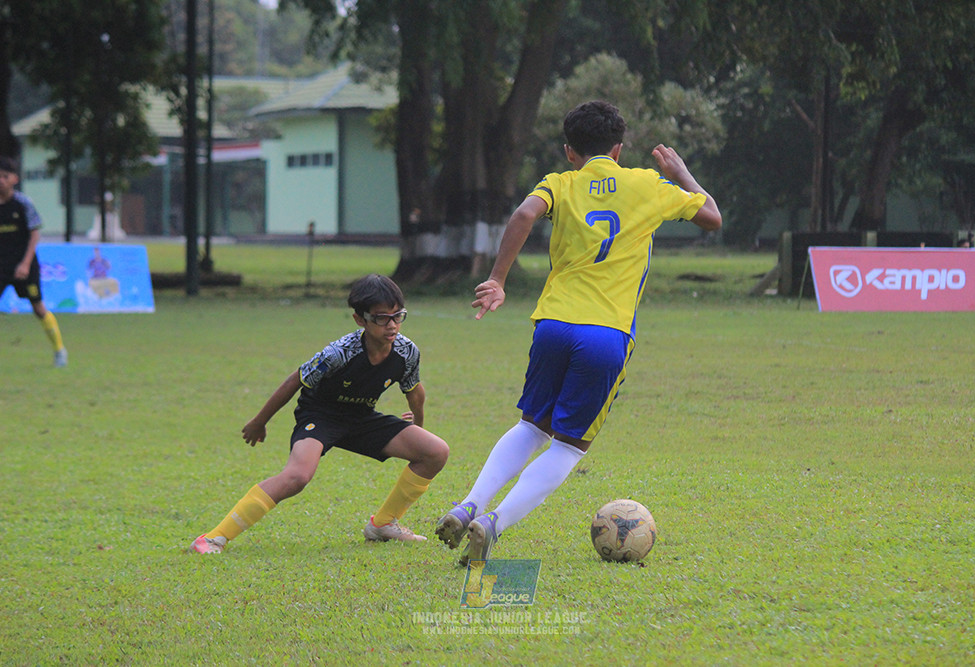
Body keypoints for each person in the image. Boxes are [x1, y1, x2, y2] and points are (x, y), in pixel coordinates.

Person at [435, 100, 722, 563]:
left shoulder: (560, 183)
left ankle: (471, 503)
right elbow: (712, 217)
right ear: (619, 148)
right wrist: (682, 173)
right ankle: (493, 523)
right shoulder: (647, 184)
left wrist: (499, 280)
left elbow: (524, 215)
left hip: (553, 323)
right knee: (567, 447)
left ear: (570, 152)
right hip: (606, 333)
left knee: (531, 426)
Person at [190, 274, 449, 553]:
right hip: (320, 416)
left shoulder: (406, 351)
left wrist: (418, 427)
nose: (392, 325)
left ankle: (383, 524)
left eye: (398, 316)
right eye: (381, 318)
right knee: (297, 477)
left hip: (361, 416)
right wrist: (259, 422)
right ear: (360, 320)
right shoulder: (339, 353)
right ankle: (213, 538)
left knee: (435, 451)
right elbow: (294, 380)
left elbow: (415, 392)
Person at [0, 155, 68, 367]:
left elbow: (34, 234)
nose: (1, 180)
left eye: (5, 176)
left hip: (24, 264)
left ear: (15, 179)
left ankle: (59, 350)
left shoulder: (23, 204)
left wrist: (25, 264)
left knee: (38, 308)